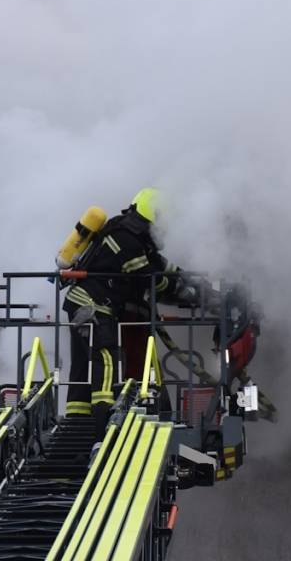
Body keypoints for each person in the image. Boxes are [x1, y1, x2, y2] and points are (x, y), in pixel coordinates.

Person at [61, 188, 195, 441]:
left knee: (81, 367)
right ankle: (104, 429)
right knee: (107, 361)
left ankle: (76, 421)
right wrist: (185, 293)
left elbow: (162, 267)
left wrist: (194, 284)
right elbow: (151, 279)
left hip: (81, 304)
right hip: (94, 306)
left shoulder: (127, 234)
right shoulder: (129, 241)